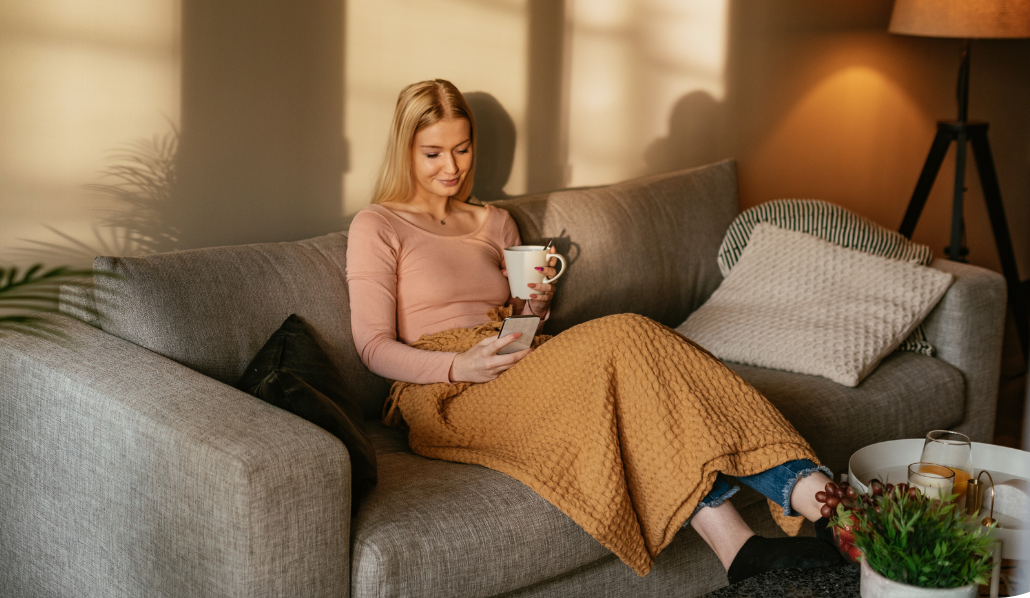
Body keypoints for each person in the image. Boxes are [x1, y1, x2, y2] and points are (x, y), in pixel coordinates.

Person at [346, 79, 845, 585]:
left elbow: (521, 315)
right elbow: (372, 347)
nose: (452, 167)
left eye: (462, 148)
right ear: (405, 148)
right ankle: (822, 495)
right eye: (433, 153)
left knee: (641, 388)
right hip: (442, 390)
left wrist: (536, 304)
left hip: (519, 358)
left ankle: (743, 548)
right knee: (629, 334)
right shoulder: (379, 225)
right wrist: (460, 365)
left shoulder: (493, 221)